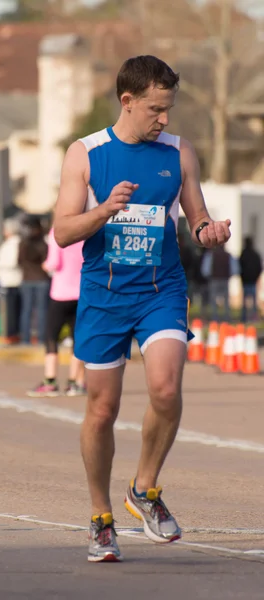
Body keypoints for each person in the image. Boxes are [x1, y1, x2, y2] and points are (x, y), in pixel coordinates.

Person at [53, 55, 231, 563]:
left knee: (166, 387)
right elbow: (62, 231)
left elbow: (196, 217)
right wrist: (103, 210)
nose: (164, 119)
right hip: (104, 296)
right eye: (156, 109)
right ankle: (99, 516)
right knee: (102, 410)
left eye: (169, 108)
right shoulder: (85, 154)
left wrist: (209, 233)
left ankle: (145, 490)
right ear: (127, 101)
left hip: (161, 290)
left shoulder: (179, 153)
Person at [27, 228, 86, 397]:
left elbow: (53, 263)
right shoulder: (86, 229)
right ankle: (75, 382)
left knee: (51, 337)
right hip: (82, 292)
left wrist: (44, 265)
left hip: (61, 293)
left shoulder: (58, 230)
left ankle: (50, 381)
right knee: (77, 339)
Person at [18, 216, 50, 345]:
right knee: (42, 310)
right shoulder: (43, 244)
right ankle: (42, 338)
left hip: (27, 279)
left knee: (26, 310)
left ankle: (25, 339)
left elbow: (19, 261)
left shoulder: (23, 244)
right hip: (41, 278)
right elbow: (47, 262)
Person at [0, 218, 22, 344]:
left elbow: (11, 262)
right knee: (15, 309)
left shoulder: (13, 244)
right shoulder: (10, 243)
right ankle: (14, 332)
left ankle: (12, 333)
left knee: (12, 310)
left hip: (12, 281)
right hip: (10, 280)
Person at [201, 244, 238, 322]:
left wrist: (209, 276)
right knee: (226, 300)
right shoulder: (228, 255)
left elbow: (205, 270)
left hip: (214, 279)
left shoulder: (211, 255)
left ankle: (215, 317)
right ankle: (227, 317)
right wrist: (229, 275)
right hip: (224, 279)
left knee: (213, 299)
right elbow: (235, 269)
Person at [239, 236, 262, 323]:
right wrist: (256, 277)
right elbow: (259, 267)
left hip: (246, 280)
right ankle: (254, 318)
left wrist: (242, 277)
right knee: (253, 301)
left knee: (245, 302)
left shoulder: (243, 254)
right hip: (253, 280)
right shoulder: (255, 254)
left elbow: (240, 267)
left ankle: (244, 318)